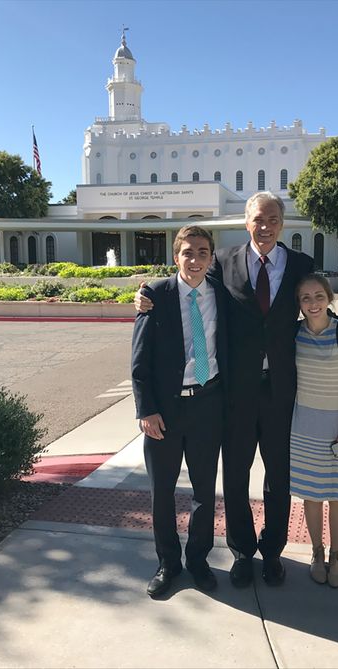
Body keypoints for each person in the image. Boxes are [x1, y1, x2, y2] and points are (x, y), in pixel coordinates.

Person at [135, 191, 338, 589]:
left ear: (282, 223)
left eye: (273, 219)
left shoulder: (300, 265)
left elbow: (316, 303)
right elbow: (184, 284)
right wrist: (145, 294)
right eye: (258, 218)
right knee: (236, 476)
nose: (265, 226)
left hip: (281, 393)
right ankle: (242, 552)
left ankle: (272, 551)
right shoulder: (222, 262)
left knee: (279, 477)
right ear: (246, 221)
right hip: (234, 393)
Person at [131, 225, 228, 598]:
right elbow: (139, 362)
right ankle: (168, 563)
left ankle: (199, 561)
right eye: (188, 252)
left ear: (211, 257)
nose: (195, 259)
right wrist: (147, 409)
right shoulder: (155, 294)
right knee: (162, 493)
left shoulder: (221, 294)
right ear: (176, 257)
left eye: (203, 252)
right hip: (165, 411)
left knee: (204, 491)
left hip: (208, 403)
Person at [290, 274, 338, 588]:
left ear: (329, 297)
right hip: (305, 426)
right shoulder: (292, 334)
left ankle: (336, 554)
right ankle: (316, 552)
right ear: (299, 304)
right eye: (305, 298)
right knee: (311, 495)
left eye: (319, 296)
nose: (313, 303)